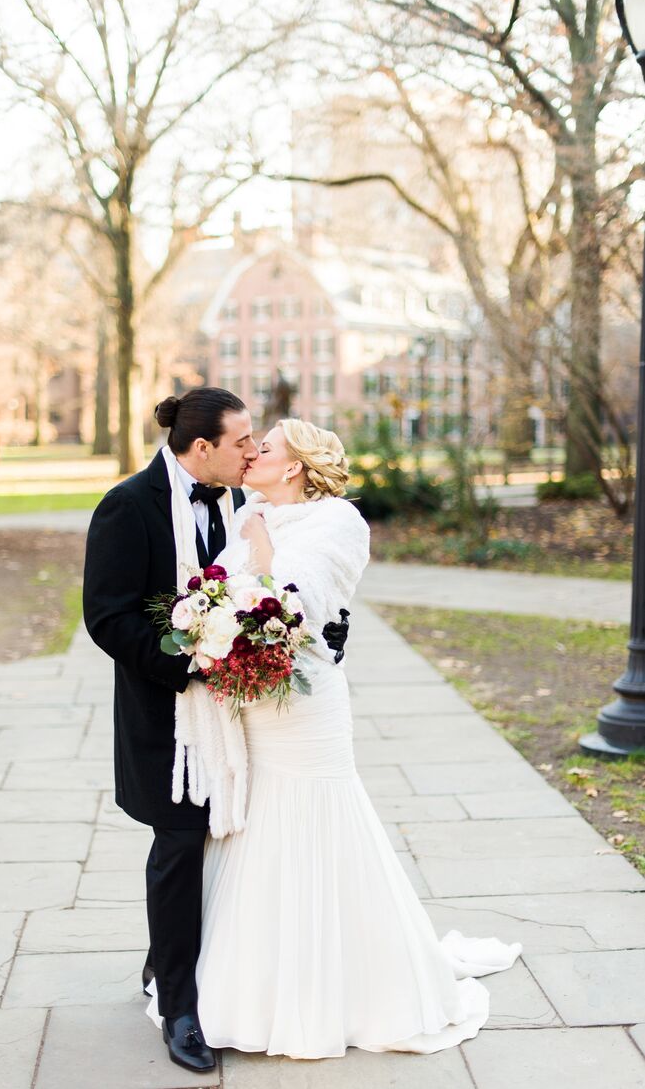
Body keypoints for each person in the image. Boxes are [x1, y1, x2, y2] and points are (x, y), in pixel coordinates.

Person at [146, 417, 522, 1059]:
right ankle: (253, 980)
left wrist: (260, 549)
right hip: (254, 705)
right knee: (256, 828)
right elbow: (224, 598)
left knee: (316, 820)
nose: (251, 455)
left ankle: (337, 986)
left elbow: (301, 606)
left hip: (307, 707)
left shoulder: (337, 522)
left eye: (263, 448)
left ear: (293, 466)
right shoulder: (247, 510)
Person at [82, 390, 349, 1074]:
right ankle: (180, 1009)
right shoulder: (128, 505)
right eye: (241, 442)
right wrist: (190, 658)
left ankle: (164, 959)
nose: (251, 450)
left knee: (218, 841)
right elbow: (107, 617)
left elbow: (280, 589)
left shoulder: (240, 502)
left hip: (241, 716)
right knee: (176, 844)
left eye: (259, 442)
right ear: (201, 448)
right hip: (166, 713)